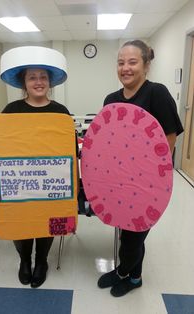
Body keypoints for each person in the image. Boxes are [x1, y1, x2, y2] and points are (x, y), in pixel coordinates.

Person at [97, 40, 184, 297]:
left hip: (146, 185)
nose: (126, 68)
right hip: (117, 182)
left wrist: (150, 176)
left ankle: (127, 274)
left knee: (134, 236)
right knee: (126, 231)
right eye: (121, 62)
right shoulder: (111, 99)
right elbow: (106, 140)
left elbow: (169, 137)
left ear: (146, 65)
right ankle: (132, 273)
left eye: (132, 62)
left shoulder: (156, 93)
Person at [0, 46, 74, 288]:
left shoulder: (60, 113)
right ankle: (24, 260)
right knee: (22, 219)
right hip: (21, 183)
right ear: (24, 82)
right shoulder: (10, 112)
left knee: (46, 220)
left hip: (51, 183)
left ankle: (41, 261)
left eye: (43, 77)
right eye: (32, 77)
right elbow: (1, 149)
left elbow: (70, 150)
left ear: (50, 82)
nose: (38, 81)